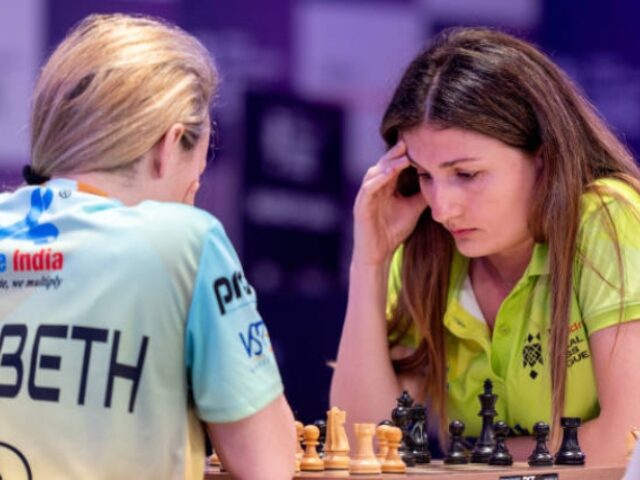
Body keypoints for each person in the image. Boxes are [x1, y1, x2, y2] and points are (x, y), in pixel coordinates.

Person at [0, 14, 296, 480]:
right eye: (195, 177)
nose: (192, 192)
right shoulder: (186, 239)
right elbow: (270, 464)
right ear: (169, 144)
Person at [331, 26, 640, 465]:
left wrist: (478, 461)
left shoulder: (608, 219)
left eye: (467, 174)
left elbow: (627, 442)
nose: (442, 208)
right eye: (424, 175)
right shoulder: (426, 248)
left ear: (543, 156)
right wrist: (370, 262)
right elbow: (364, 444)